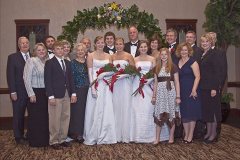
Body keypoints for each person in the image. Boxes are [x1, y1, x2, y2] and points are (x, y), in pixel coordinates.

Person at [84, 36, 117, 145]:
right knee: (94, 109)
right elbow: (90, 72)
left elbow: (113, 70)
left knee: (106, 108)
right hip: (95, 85)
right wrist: (93, 88)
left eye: (102, 42)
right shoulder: (90, 55)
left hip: (106, 85)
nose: (100, 44)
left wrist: (105, 74)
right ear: (95, 44)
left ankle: (106, 134)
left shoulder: (109, 56)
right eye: (98, 42)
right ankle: (93, 134)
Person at [44, 41, 77, 150]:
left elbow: (71, 79)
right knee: (54, 118)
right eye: (58, 49)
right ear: (53, 50)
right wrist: (50, 96)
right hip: (55, 95)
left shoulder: (68, 63)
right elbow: (47, 80)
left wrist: (73, 93)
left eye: (62, 49)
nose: (60, 50)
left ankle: (62, 139)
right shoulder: (49, 63)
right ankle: (54, 141)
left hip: (67, 94)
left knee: (65, 117)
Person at [151, 48, 181, 144]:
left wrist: (178, 96)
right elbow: (155, 83)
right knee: (159, 113)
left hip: (171, 93)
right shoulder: (156, 68)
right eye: (162, 54)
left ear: (168, 56)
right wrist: (154, 96)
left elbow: (177, 82)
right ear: (159, 56)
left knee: (171, 114)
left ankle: (171, 137)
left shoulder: (173, 66)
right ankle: (157, 138)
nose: (163, 56)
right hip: (160, 94)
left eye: (165, 54)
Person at [23, 43, 49, 147]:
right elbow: (26, 78)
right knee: (35, 117)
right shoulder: (31, 61)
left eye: (43, 49)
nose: (41, 51)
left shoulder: (47, 61)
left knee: (44, 117)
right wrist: (31, 94)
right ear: (35, 52)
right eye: (39, 50)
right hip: (35, 92)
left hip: (45, 93)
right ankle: (35, 141)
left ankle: (44, 140)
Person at [130, 40, 156, 143]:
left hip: (148, 85)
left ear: (148, 47)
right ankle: (137, 135)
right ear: (138, 48)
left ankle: (149, 135)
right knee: (136, 108)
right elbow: (132, 73)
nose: (143, 48)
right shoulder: (134, 59)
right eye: (141, 47)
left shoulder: (152, 59)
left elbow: (154, 74)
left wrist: (147, 81)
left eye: (145, 47)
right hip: (137, 85)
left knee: (148, 109)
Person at [176, 42, 201, 143]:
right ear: (179, 51)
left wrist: (194, 89)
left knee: (192, 113)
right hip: (181, 90)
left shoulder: (193, 62)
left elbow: (198, 76)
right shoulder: (178, 62)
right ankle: (186, 134)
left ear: (189, 51)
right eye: (182, 50)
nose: (184, 52)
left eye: (186, 50)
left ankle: (190, 135)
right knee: (184, 114)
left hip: (191, 90)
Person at [7, 36, 30, 145]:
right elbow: (10, 76)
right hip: (19, 92)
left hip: (32, 93)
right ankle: (18, 136)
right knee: (18, 115)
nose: (25, 45)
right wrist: (12, 91)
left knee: (33, 115)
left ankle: (30, 134)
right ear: (19, 45)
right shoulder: (12, 57)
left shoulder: (33, 57)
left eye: (26, 43)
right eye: (22, 43)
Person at [199, 34, 222, 144]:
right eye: (202, 41)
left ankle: (213, 134)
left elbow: (217, 72)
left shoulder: (214, 54)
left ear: (211, 42)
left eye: (206, 41)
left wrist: (214, 88)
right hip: (203, 87)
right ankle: (208, 132)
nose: (204, 43)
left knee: (213, 112)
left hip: (211, 88)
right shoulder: (204, 54)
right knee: (207, 111)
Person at [112, 37, 135, 142]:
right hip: (116, 84)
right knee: (116, 107)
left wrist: (124, 75)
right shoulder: (112, 56)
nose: (118, 46)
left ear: (123, 45)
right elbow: (109, 69)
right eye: (116, 44)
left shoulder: (128, 56)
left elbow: (134, 71)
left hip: (126, 83)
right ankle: (116, 134)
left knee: (126, 106)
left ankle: (126, 135)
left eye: (120, 44)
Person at [68, 43, 89, 143]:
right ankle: (77, 133)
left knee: (87, 111)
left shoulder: (88, 62)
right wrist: (73, 93)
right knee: (78, 113)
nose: (80, 52)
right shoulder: (72, 63)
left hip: (88, 90)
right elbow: (70, 80)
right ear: (76, 51)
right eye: (78, 50)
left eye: (82, 50)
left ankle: (85, 132)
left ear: (85, 51)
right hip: (78, 90)